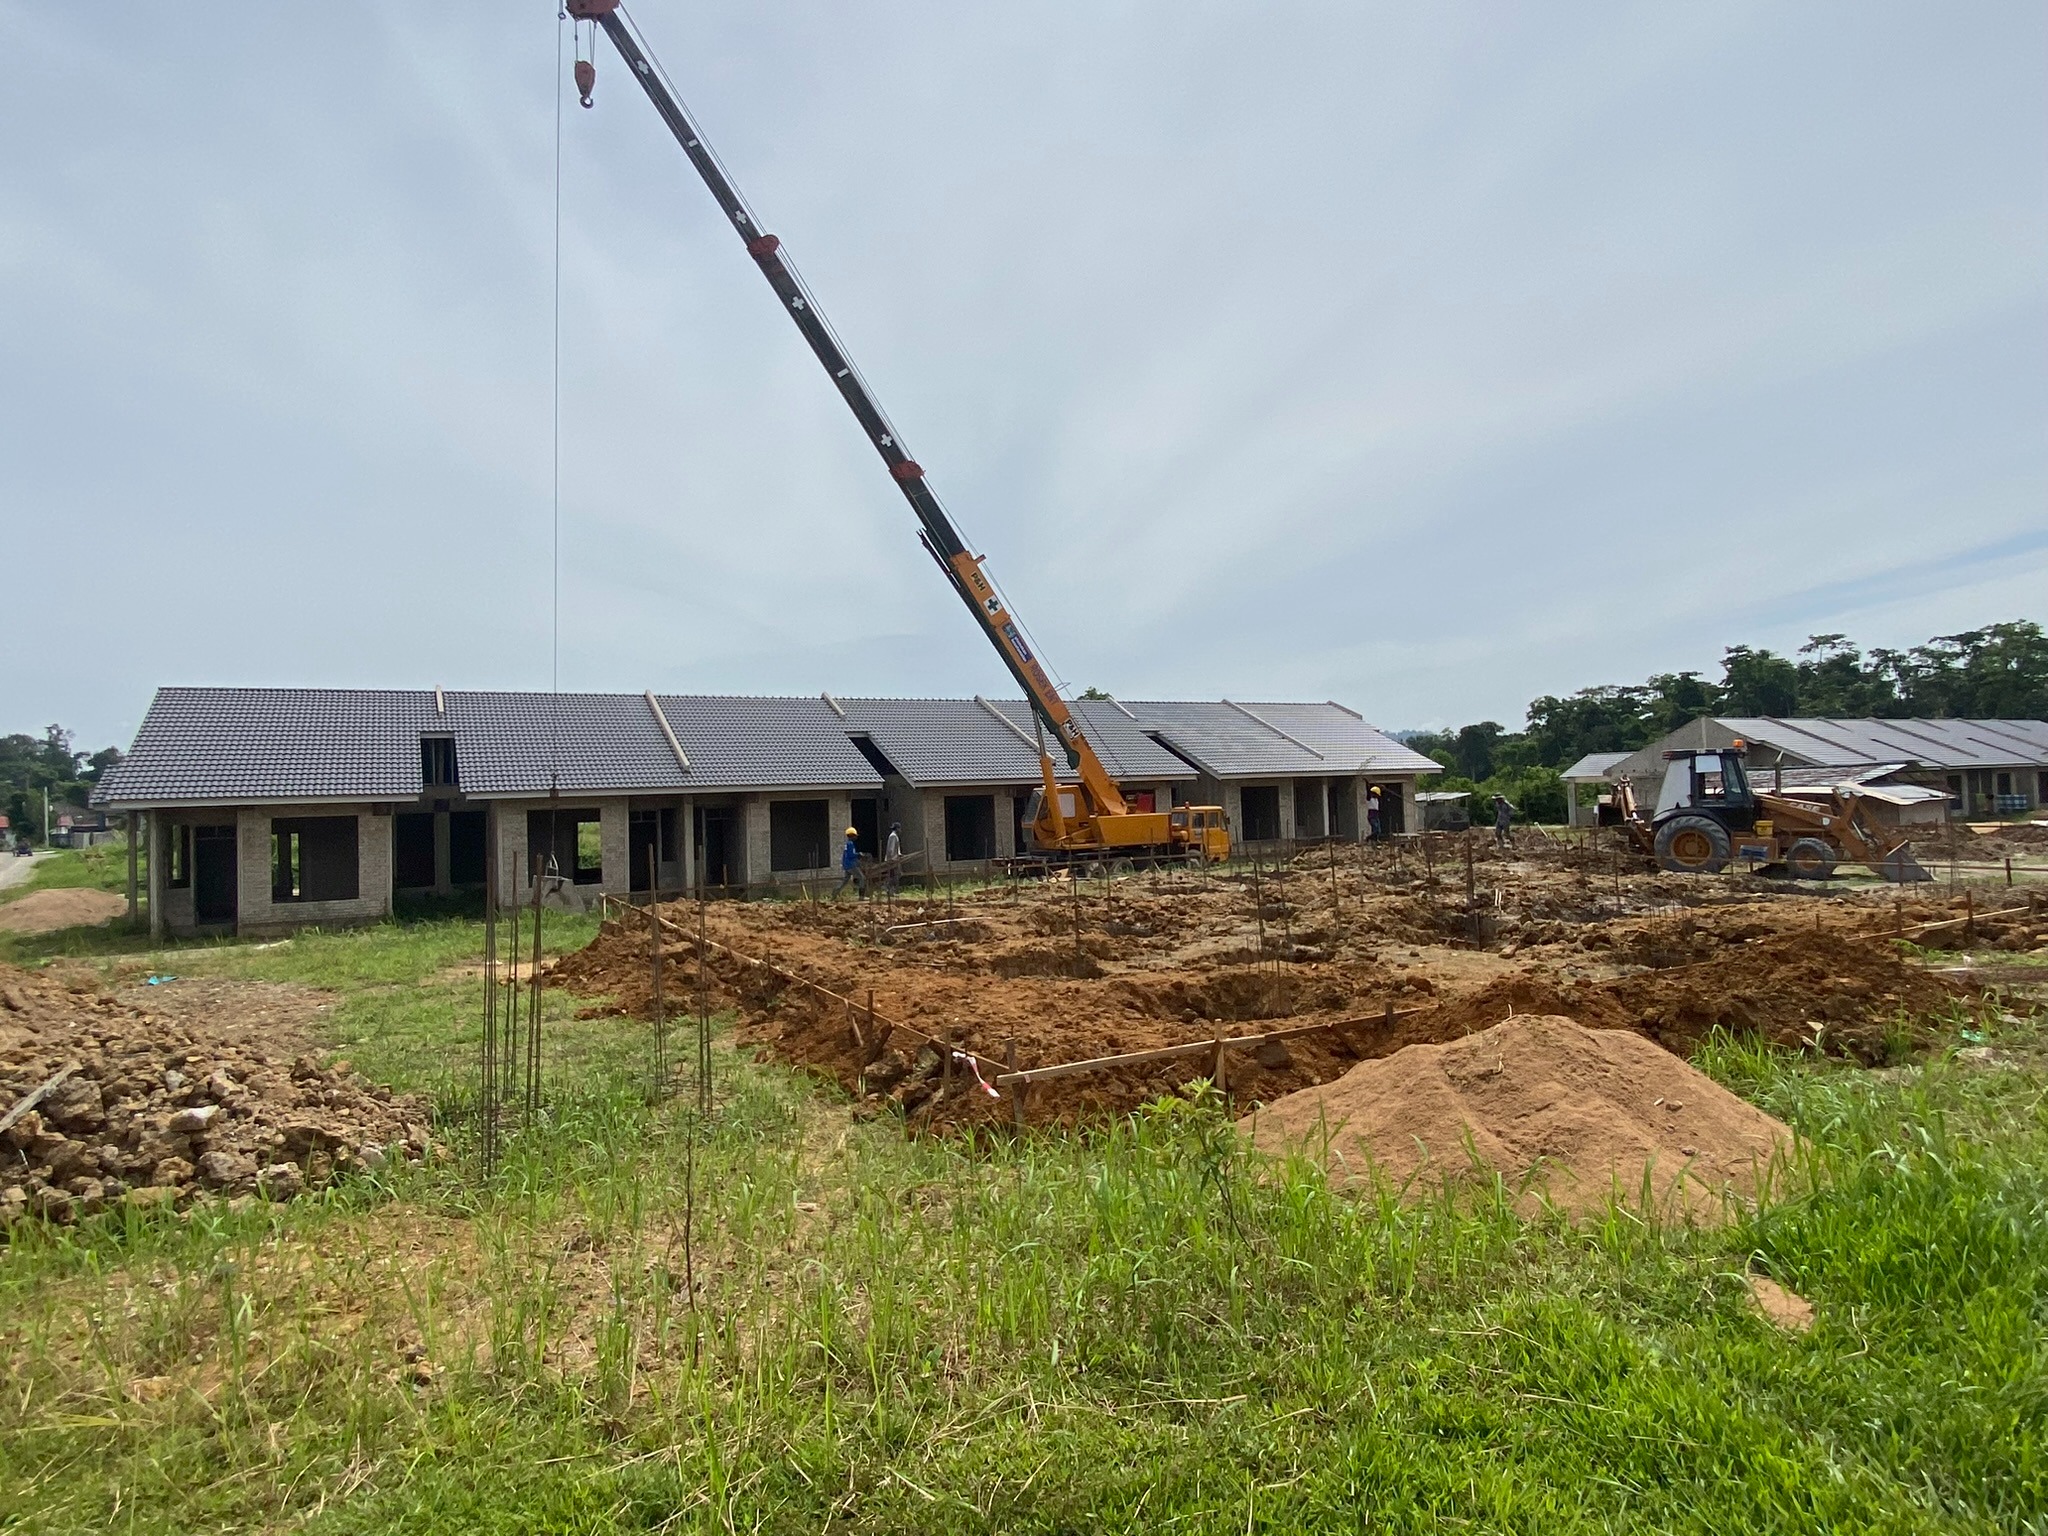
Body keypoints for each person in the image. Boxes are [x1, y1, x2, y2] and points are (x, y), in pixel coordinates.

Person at [834, 825, 866, 899]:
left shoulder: (847, 844)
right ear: (851, 836)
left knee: (845, 880)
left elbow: (846, 856)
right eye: (855, 836)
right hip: (851, 865)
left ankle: (835, 892)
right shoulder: (850, 844)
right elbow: (851, 855)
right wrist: (859, 854)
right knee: (862, 878)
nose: (856, 837)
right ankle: (861, 896)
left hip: (847, 865)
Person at [883, 821, 902, 897]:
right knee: (895, 875)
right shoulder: (893, 836)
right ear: (897, 829)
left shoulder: (893, 836)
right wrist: (891, 859)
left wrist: (899, 854)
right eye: (899, 828)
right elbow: (891, 849)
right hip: (892, 859)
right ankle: (888, 888)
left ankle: (890, 890)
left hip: (894, 858)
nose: (900, 830)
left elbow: (895, 848)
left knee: (893, 875)